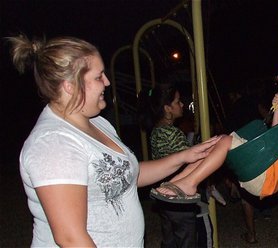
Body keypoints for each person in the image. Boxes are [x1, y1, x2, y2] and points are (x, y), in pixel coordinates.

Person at [8, 34, 220, 247]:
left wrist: (184, 156)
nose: (107, 82)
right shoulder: (54, 144)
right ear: (70, 85)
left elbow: (125, 176)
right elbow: (71, 238)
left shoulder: (98, 123)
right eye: (99, 76)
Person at [150, 73, 278, 202]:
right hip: (258, 169)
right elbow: (274, 135)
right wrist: (277, 109)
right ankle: (177, 181)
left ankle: (190, 183)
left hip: (264, 177)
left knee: (225, 141)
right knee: (216, 143)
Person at [137, 84, 212, 248]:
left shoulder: (156, 130)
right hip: (179, 195)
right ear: (167, 108)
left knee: (170, 240)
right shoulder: (173, 133)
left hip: (163, 193)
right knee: (187, 240)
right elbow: (190, 163)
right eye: (178, 102)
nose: (182, 105)